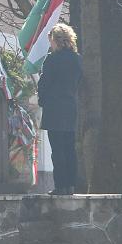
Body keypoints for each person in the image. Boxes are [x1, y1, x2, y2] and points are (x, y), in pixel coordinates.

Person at [37, 23, 82, 195]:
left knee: (57, 150)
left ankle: (60, 185)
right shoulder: (77, 59)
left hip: (54, 108)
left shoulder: (52, 59)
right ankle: (70, 184)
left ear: (55, 40)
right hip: (70, 107)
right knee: (69, 148)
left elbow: (44, 83)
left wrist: (43, 100)